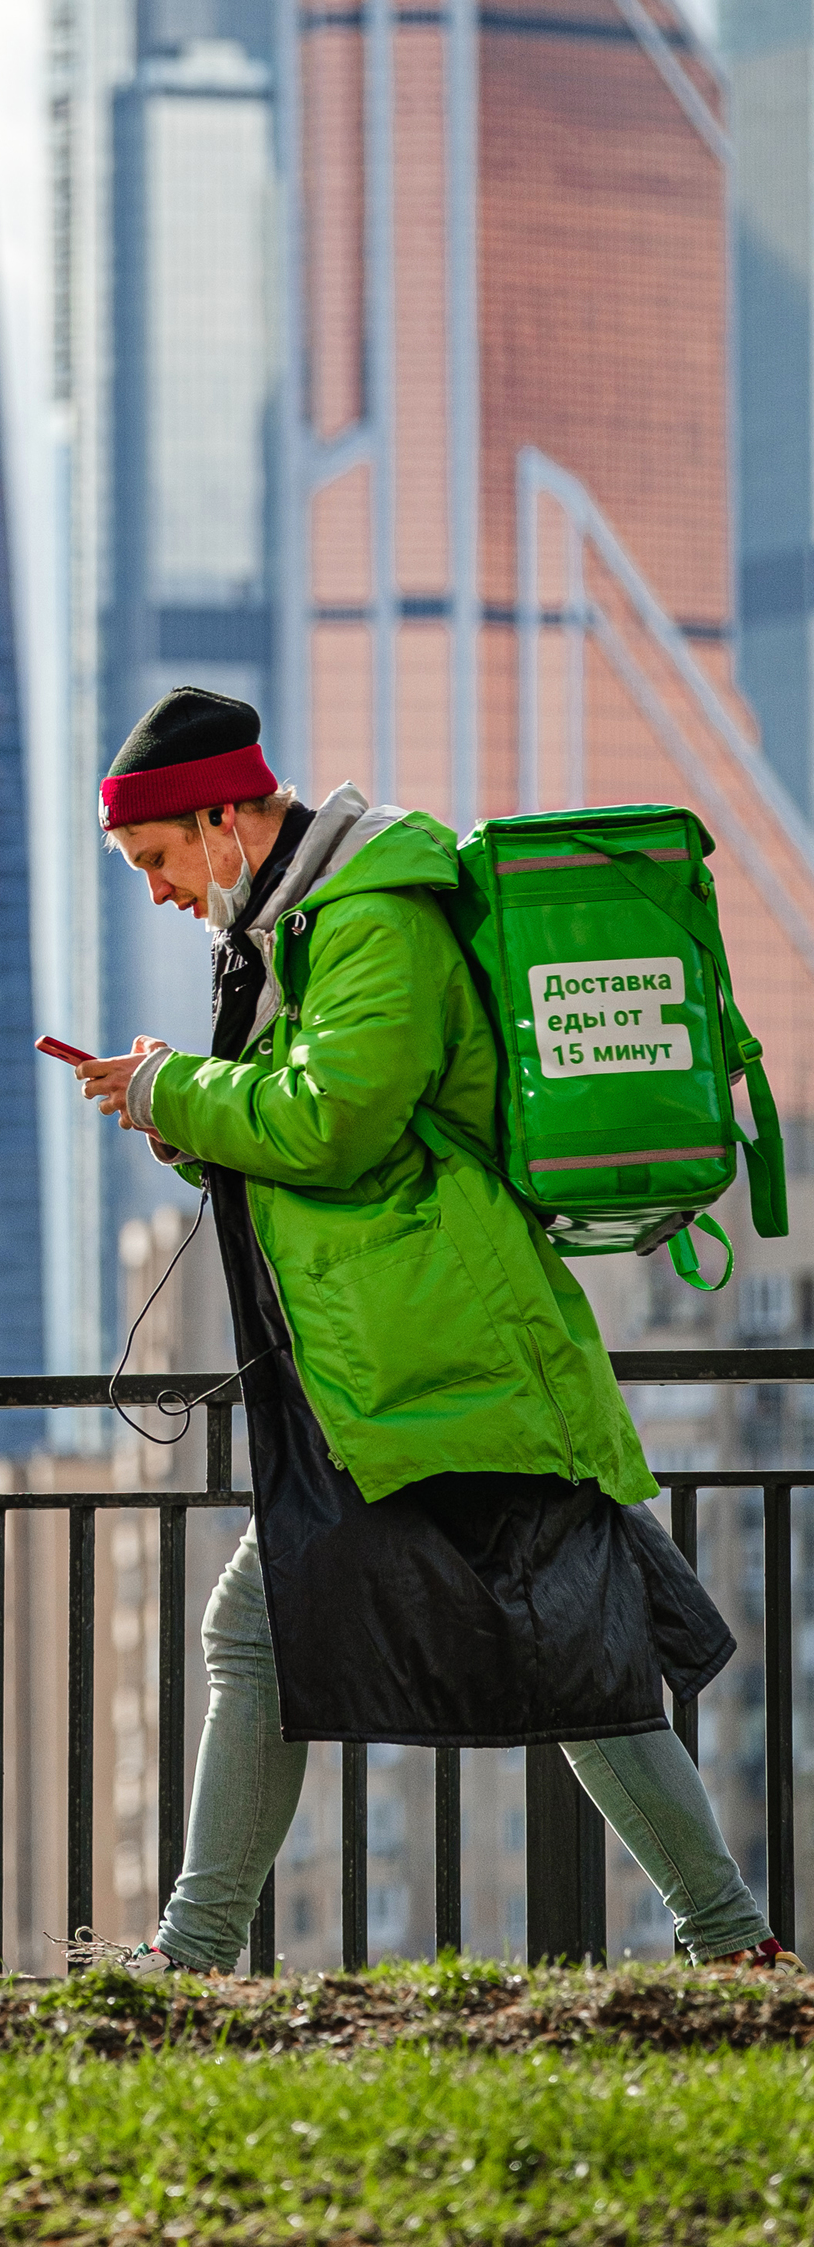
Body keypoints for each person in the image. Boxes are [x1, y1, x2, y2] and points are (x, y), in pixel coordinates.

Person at [69, 682, 795, 1976]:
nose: (164, 892)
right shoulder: (313, 925)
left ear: (225, 815)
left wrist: (177, 1084)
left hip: (441, 1355)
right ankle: (732, 1943)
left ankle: (190, 1962)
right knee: (565, 1652)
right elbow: (333, 1137)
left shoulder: (371, 918)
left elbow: (334, 1123)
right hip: (404, 1358)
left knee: (297, 1631)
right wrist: (181, 1113)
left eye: (161, 860)